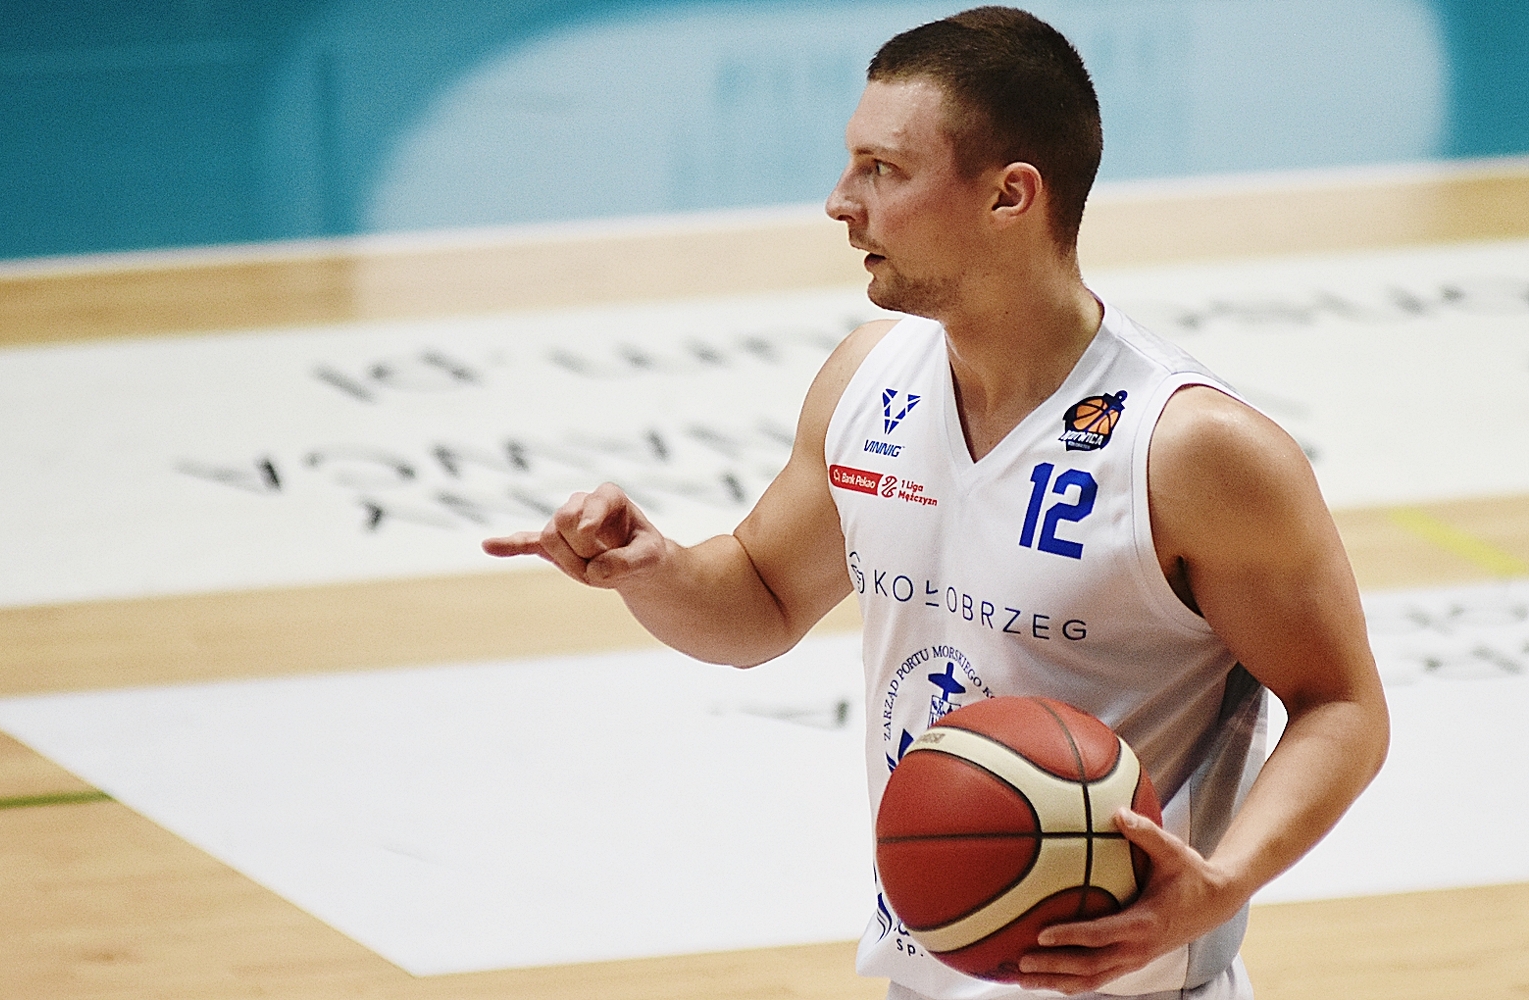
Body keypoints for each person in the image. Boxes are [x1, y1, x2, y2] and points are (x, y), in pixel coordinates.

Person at [484, 7, 1389, 998]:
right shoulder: (866, 379)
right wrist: (651, 568)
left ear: (1009, 195)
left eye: (883, 170)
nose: (840, 202)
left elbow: (1341, 706)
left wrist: (1223, 882)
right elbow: (759, 605)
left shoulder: (1190, 450)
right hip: (922, 977)